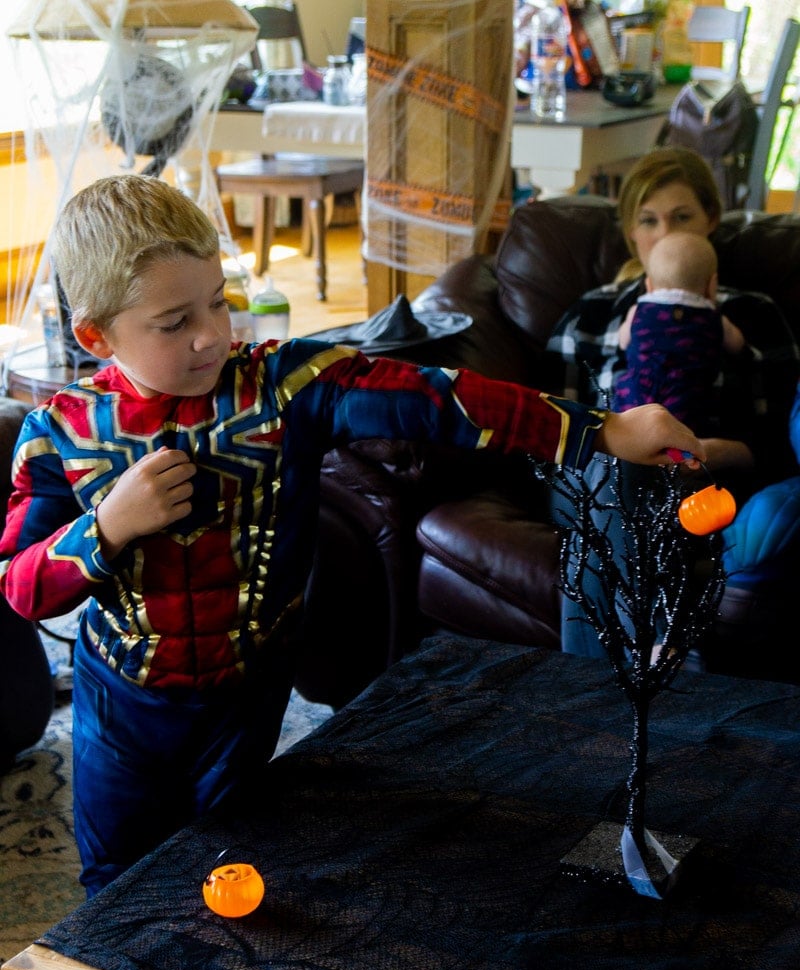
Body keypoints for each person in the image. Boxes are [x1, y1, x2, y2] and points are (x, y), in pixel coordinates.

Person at [0, 174, 704, 896]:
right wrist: (105, 528)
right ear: (95, 334)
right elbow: (21, 588)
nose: (213, 333)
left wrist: (597, 430)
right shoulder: (57, 436)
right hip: (124, 701)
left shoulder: (290, 386)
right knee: (117, 874)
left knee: (233, 851)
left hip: (251, 685)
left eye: (219, 301)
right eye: (174, 322)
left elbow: (443, 401)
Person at [546, 146, 800, 663]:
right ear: (630, 233)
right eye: (648, 220)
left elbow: (785, 442)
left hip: (707, 476)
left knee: (613, 510)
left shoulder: (753, 315)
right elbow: (553, 428)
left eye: (681, 217)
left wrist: (717, 451)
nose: (664, 234)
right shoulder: (592, 316)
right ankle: (664, 654)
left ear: (710, 219)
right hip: (596, 479)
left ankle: (598, 693)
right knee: (612, 470)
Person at [614, 230, 743, 430]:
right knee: (683, 437)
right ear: (712, 285)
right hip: (688, 396)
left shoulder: (637, 311)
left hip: (636, 394)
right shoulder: (715, 318)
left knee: (628, 432)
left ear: (648, 285)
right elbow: (737, 346)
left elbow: (622, 343)